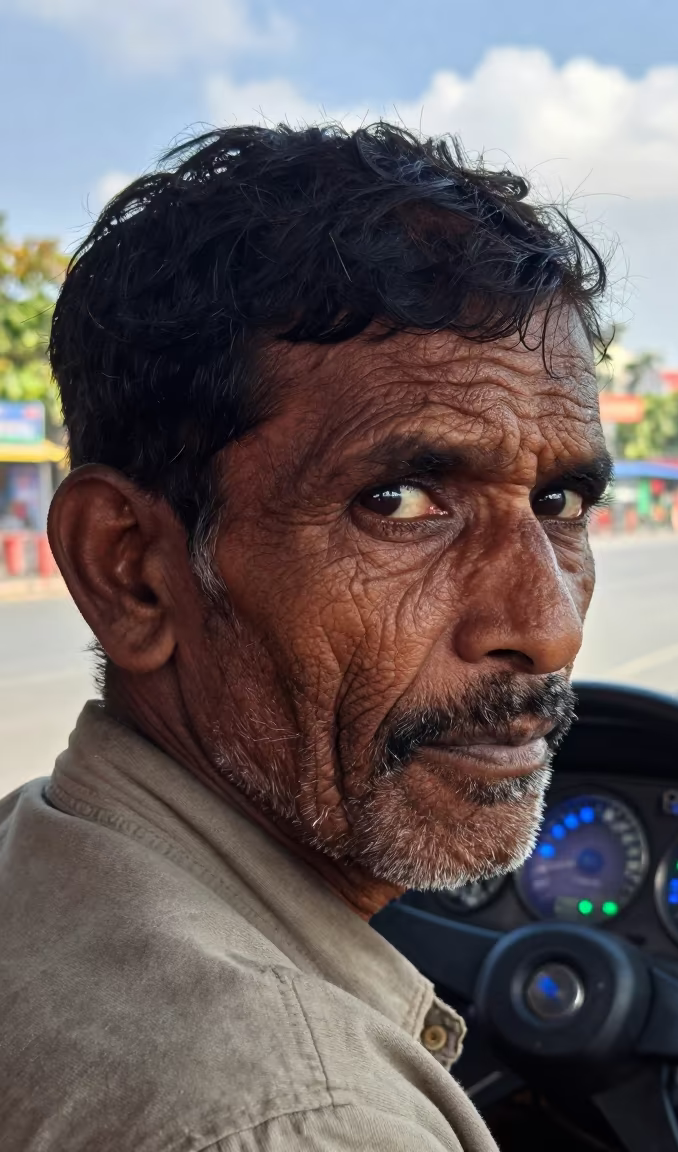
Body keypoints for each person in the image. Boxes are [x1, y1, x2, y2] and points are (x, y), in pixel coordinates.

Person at [0, 122, 610, 1151]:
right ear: (130, 569)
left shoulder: (38, 848)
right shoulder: (291, 1115)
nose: (546, 631)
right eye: (403, 501)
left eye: (558, 500)